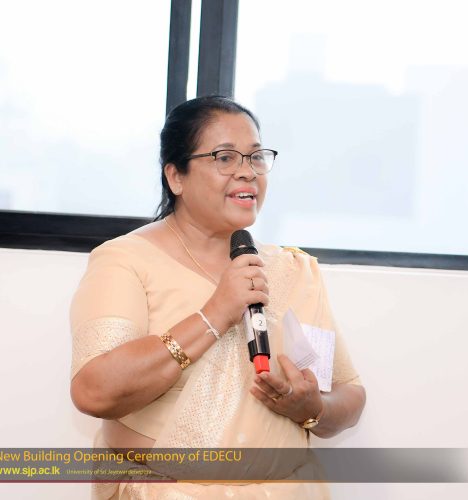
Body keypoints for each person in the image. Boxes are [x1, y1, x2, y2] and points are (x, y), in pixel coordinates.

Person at [70, 95, 366, 498]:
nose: (247, 172)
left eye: (256, 157)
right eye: (225, 158)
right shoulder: (126, 260)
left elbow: (349, 394)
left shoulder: (291, 270)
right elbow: (94, 391)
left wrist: (312, 408)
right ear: (176, 176)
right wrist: (214, 314)